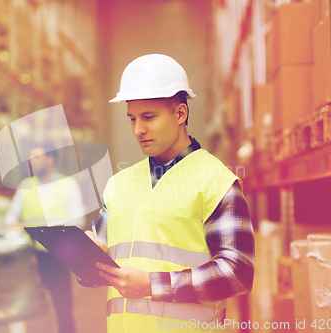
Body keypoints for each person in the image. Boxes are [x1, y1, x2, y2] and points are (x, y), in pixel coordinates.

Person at [85, 54, 255, 333]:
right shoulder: (119, 184)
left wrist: (152, 284)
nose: (139, 130)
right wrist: (86, 258)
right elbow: (103, 269)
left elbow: (238, 273)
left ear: (180, 114)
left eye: (148, 117)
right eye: (132, 119)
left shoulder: (216, 181)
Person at [5, 142, 84, 333]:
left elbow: (79, 220)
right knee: (31, 302)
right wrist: (22, 228)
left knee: (61, 301)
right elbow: (10, 219)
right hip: (30, 256)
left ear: (51, 160)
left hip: (57, 254)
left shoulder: (68, 184)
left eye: (37, 157)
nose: (32, 162)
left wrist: (44, 229)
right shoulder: (25, 186)